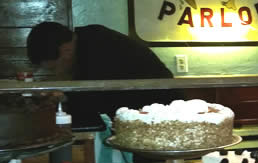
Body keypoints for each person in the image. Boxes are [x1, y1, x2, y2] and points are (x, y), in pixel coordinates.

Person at [26, 22, 181, 122]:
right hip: (147, 113)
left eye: (54, 68)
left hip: (162, 113)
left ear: (65, 50)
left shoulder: (98, 49)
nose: (56, 74)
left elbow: (89, 104)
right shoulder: (89, 39)